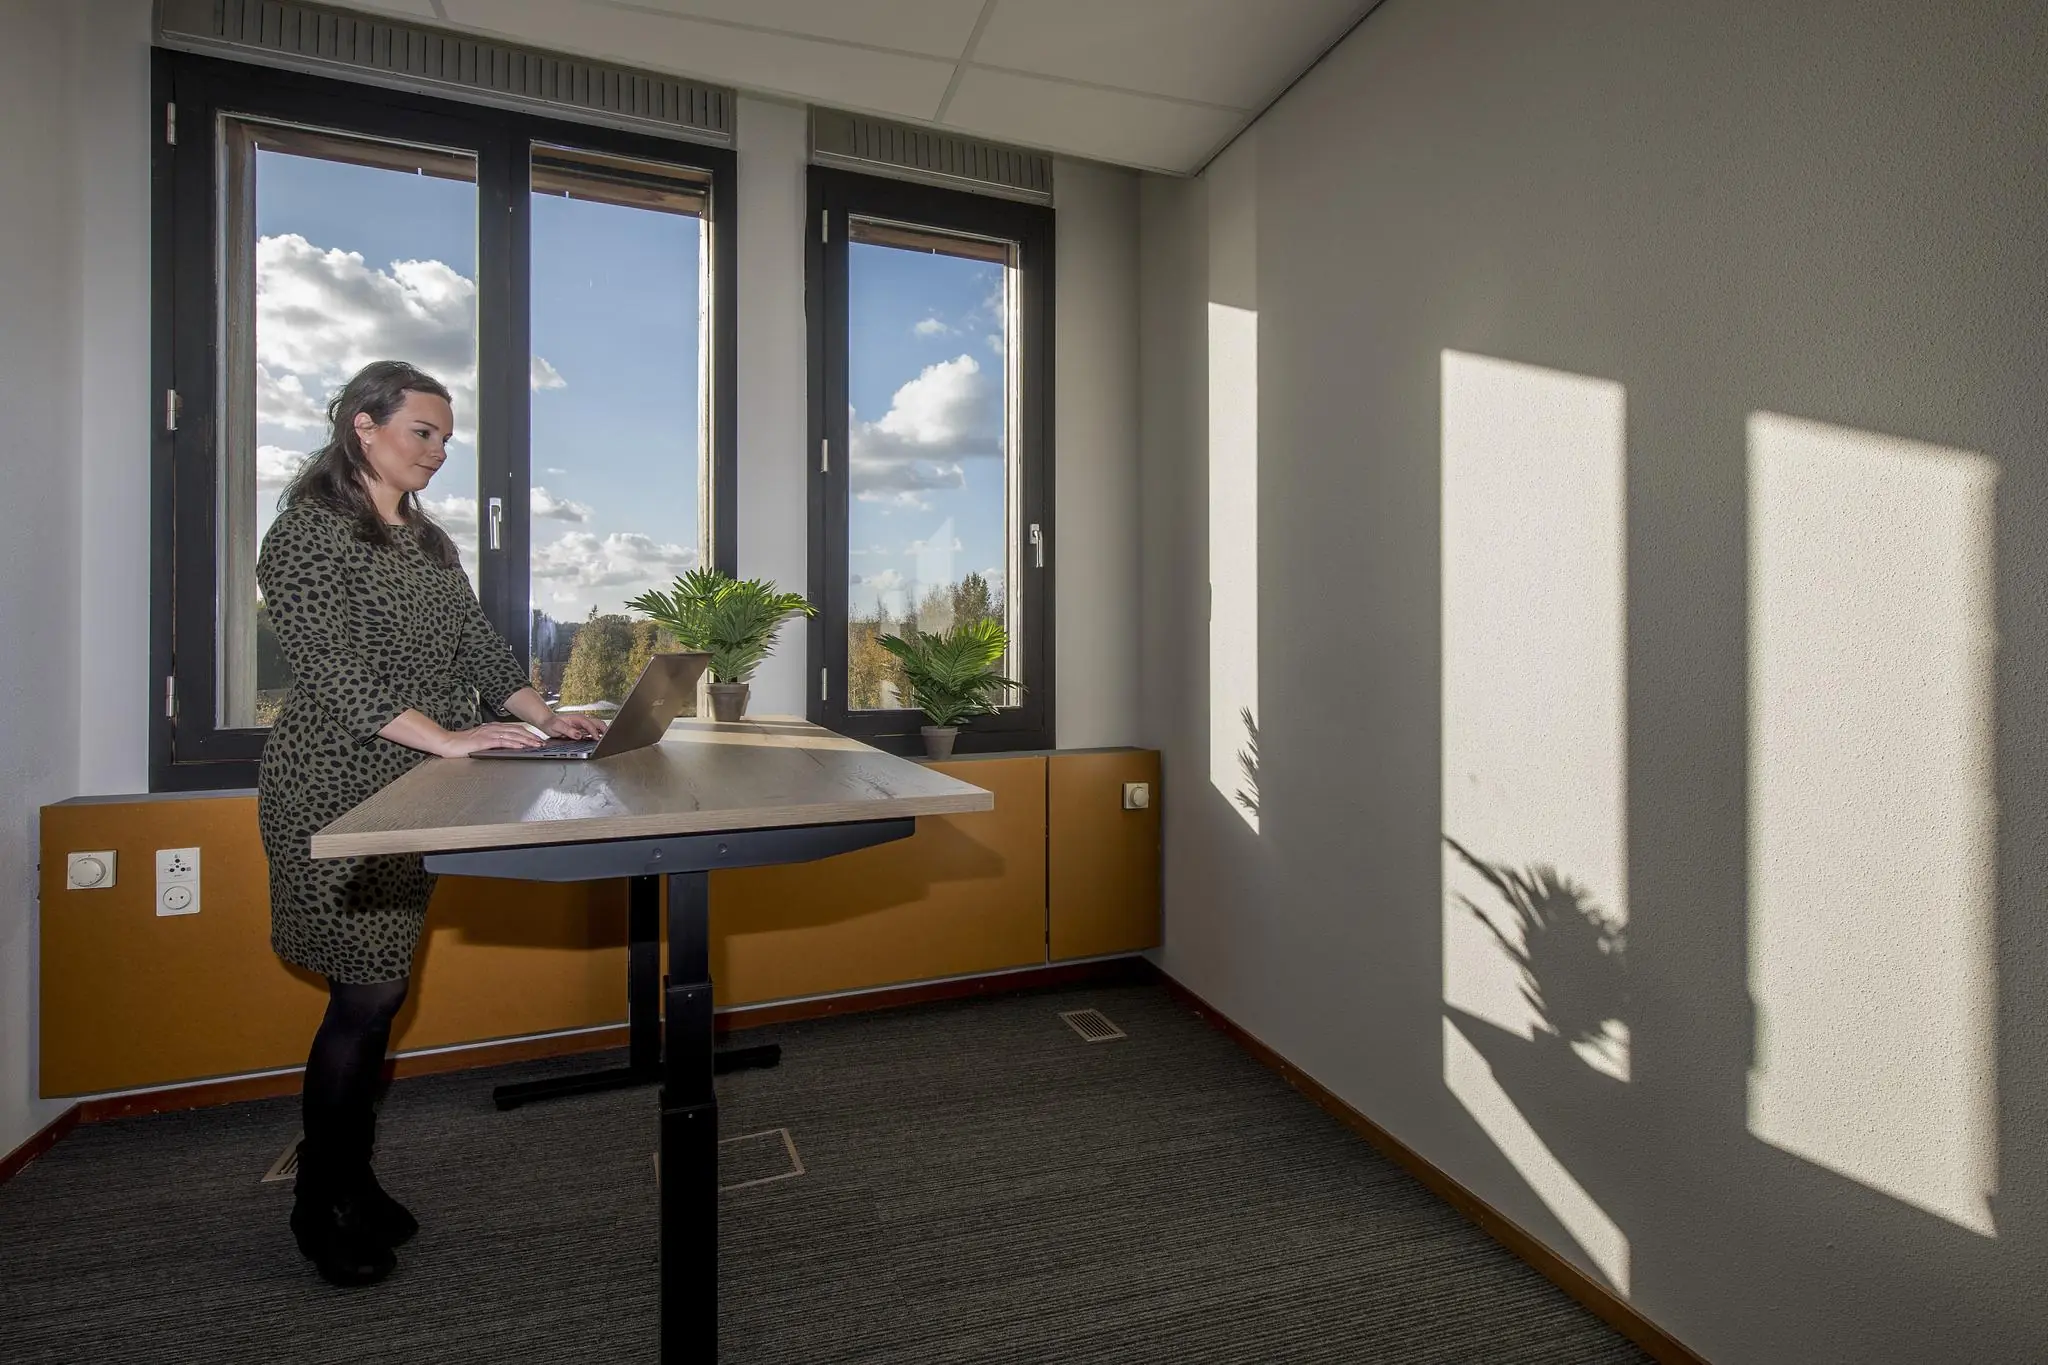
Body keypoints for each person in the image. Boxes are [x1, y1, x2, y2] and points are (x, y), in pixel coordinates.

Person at [257, 360, 605, 1287]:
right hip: (333, 794)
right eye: (424, 431)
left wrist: (545, 716)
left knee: (379, 997)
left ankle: (351, 1176)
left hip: (419, 790)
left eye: (447, 437)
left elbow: (481, 649)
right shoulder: (305, 535)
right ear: (363, 427)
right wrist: (447, 737)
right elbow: (331, 666)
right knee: (365, 997)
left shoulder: (427, 543)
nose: (440, 451)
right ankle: (317, 1203)